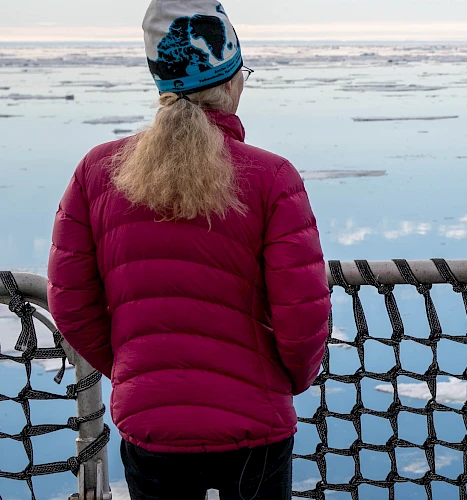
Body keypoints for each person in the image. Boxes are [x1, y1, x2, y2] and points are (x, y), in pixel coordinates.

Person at [48, 1, 331, 498]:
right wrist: (286, 382)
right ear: (229, 83)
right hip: (255, 426)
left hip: (151, 425)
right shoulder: (272, 179)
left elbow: (70, 303)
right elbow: (302, 315)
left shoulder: (97, 172)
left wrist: (136, 370)